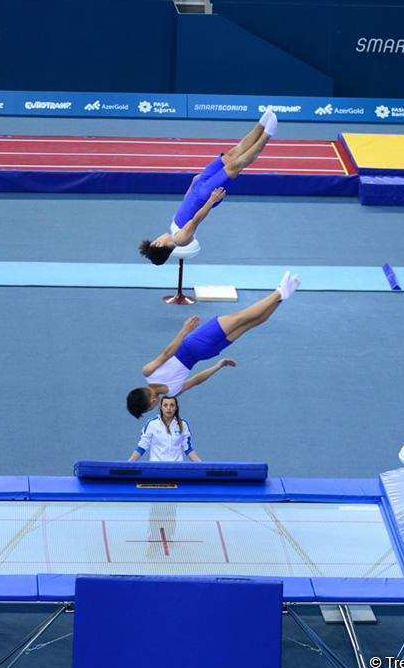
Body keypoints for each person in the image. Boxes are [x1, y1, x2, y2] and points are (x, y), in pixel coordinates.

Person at [126, 270, 300, 417]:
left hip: (206, 353)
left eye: (150, 408)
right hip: (193, 343)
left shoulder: (173, 392)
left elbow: (196, 380)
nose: (153, 408)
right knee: (241, 317)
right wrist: (185, 330)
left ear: (151, 402)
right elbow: (167, 353)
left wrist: (217, 366)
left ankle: (283, 297)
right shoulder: (148, 372)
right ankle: (279, 293)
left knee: (249, 324)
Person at [139, 109, 278, 265]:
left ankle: (261, 124)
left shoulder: (173, 230)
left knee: (231, 155)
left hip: (198, 189)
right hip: (205, 196)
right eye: (156, 239)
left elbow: (185, 204)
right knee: (235, 166)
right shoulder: (180, 240)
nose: (158, 236)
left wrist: (193, 183)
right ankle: (267, 134)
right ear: (158, 244)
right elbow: (196, 220)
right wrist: (211, 201)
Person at [128, 395, 200, 462]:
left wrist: (203, 466)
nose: (168, 408)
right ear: (161, 408)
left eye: (172, 405)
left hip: (176, 468)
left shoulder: (183, 424)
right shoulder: (152, 424)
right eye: (165, 405)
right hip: (156, 468)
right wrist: (126, 466)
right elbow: (142, 447)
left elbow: (188, 448)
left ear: (176, 408)